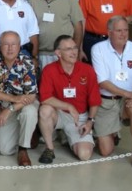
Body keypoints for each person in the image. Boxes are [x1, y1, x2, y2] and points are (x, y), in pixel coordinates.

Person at [91, 16, 132, 170]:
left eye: (126, 30)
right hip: (106, 100)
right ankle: (114, 131)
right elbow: (102, 81)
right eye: (119, 30)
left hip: (127, 100)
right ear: (109, 32)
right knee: (105, 151)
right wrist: (130, 94)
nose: (123, 34)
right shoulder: (98, 48)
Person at [38, 35, 101, 164]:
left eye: (75, 48)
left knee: (84, 155)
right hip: (59, 114)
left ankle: (67, 136)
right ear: (58, 53)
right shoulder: (49, 70)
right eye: (68, 49)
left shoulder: (87, 70)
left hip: (80, 117)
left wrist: (90, 122)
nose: (73, 52)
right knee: (45, 110)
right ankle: (49, 148)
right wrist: (68, 106)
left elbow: (94, 100)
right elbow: (45, 98)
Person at [0, 31, 39, 166]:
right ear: (0, 46)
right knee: (5, 150)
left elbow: (31, 95)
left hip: (24, 105)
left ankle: (23, 149)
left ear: (19, 46)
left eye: (13, 44)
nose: (10, 48)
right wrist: (13, 99)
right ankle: (25, 132)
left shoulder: (26, 61)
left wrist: (10, 109)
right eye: (6, 44)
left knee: (29, 112)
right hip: (3, 106)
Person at [30, 0, 84, 69]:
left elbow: (78, 27)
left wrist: (75, 51)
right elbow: (31, 30)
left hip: (66, 53)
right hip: (42, 55)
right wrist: (34, 55)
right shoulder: (33, 0)